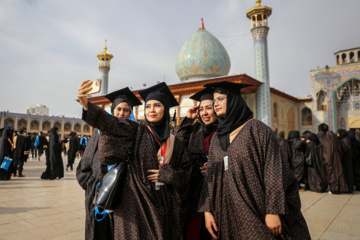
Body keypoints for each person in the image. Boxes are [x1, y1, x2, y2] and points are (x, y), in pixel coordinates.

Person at [78, 81, 192, 240]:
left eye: (157, 105)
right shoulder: (135, 131)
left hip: (162, 209)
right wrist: (86, 104)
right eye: (148, 106)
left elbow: (186, 172)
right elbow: (111, 123)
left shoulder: (176, 143)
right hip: (132, 210)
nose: (151, 110)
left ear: (165, 109)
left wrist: (167, 175)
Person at [198, 81, 310, 240]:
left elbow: (274, 171)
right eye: (214, 101)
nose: (216, 104)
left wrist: (273, 211)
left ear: (234, 100)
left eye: (221, 99)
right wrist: (207, 211)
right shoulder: (217, 138)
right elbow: (211, 177)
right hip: (226, 214)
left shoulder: (257, 129)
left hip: (256, 210)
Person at [77, 87, 141, 240]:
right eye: (118, 109)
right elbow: (85, 163)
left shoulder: (137, 132)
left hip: (125, 196)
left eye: (126, 110)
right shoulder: (99, 132)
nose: (122, 113)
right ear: (112, 111)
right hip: (99, 193)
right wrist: (92, 184)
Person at [173, 87, 216, 240]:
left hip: (218, 194)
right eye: (201, 109)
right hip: (194, 195)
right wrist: (188, 119)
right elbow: (176, 144)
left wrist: (215, 168)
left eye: (209, 108)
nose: (204, 113)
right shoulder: (195, 129)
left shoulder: (226, 132)